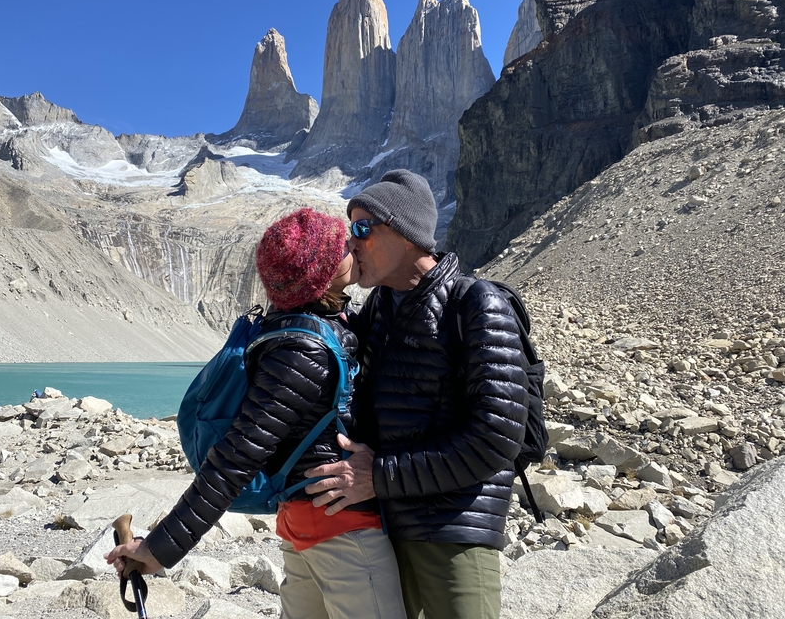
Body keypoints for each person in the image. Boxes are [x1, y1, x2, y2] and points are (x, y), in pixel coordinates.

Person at [105, 208, 406, 619]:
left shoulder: (304, 330)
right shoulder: (303, 352)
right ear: (319, 277)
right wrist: (158, 548)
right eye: (340, 249)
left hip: (307, 529)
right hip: (342, 533)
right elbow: (234, 460)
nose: (353, 247)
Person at [304, 169, 530, 619]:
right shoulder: (378, 312)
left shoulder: (477, 304)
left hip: (456, 534)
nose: (351, 243)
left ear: (405, 234)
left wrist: (379, 477)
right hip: (388, 530)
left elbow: (497, 439)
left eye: (362, 228)